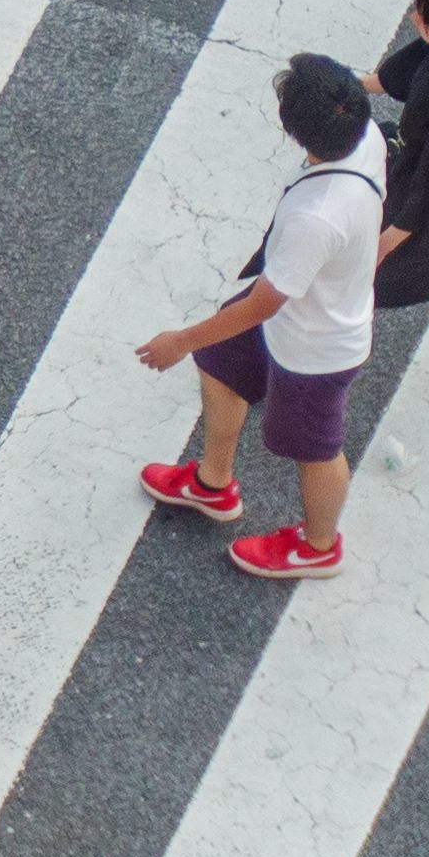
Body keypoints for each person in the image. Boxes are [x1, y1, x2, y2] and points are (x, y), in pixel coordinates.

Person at [135, 47, 388, 584]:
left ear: (295, 133)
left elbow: (264, 302)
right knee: (220, 363)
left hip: (313, 347)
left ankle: (319, 547)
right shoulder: (364, 138)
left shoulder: (316, 217)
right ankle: (212, 484)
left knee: (315, 450)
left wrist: (178, 339)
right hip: (289, 319)